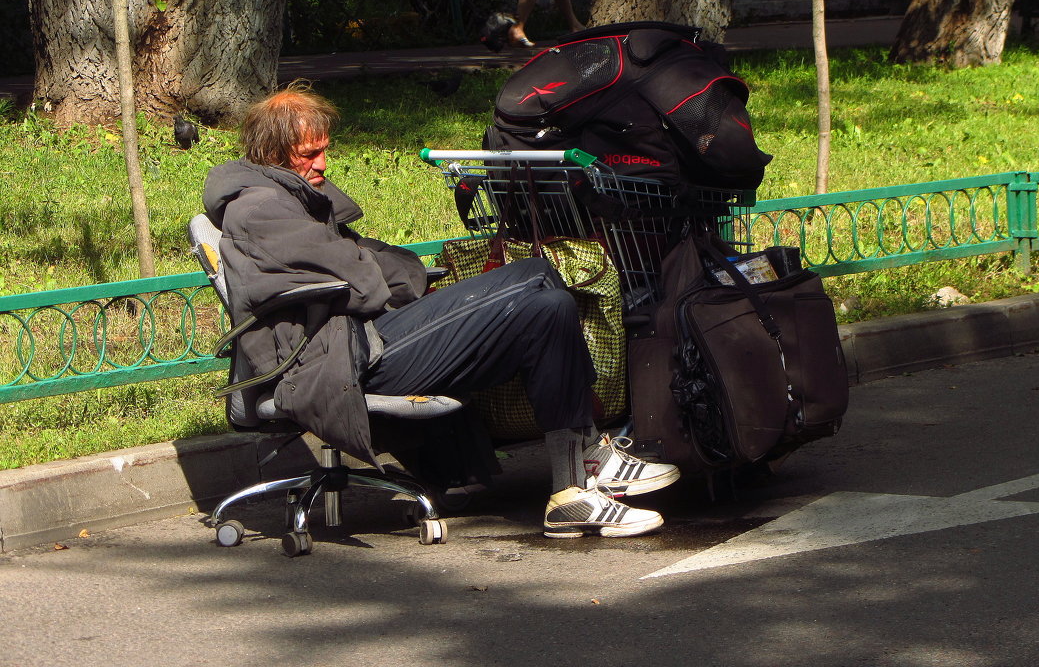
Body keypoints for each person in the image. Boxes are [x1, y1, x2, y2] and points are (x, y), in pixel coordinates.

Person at [202, 83, 680, 538]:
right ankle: (585, 460)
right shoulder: (262, 209)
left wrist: (386, 273)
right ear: (272, 152)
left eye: (324, 149)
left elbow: (373, 267)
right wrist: (389, 276)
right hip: (342, 359)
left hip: (358, 338)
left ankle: (573, 483)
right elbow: (365, 281)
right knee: (535, 276)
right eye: (311, 154)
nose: (323, 163)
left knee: (549, 302)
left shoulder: (284, 197)